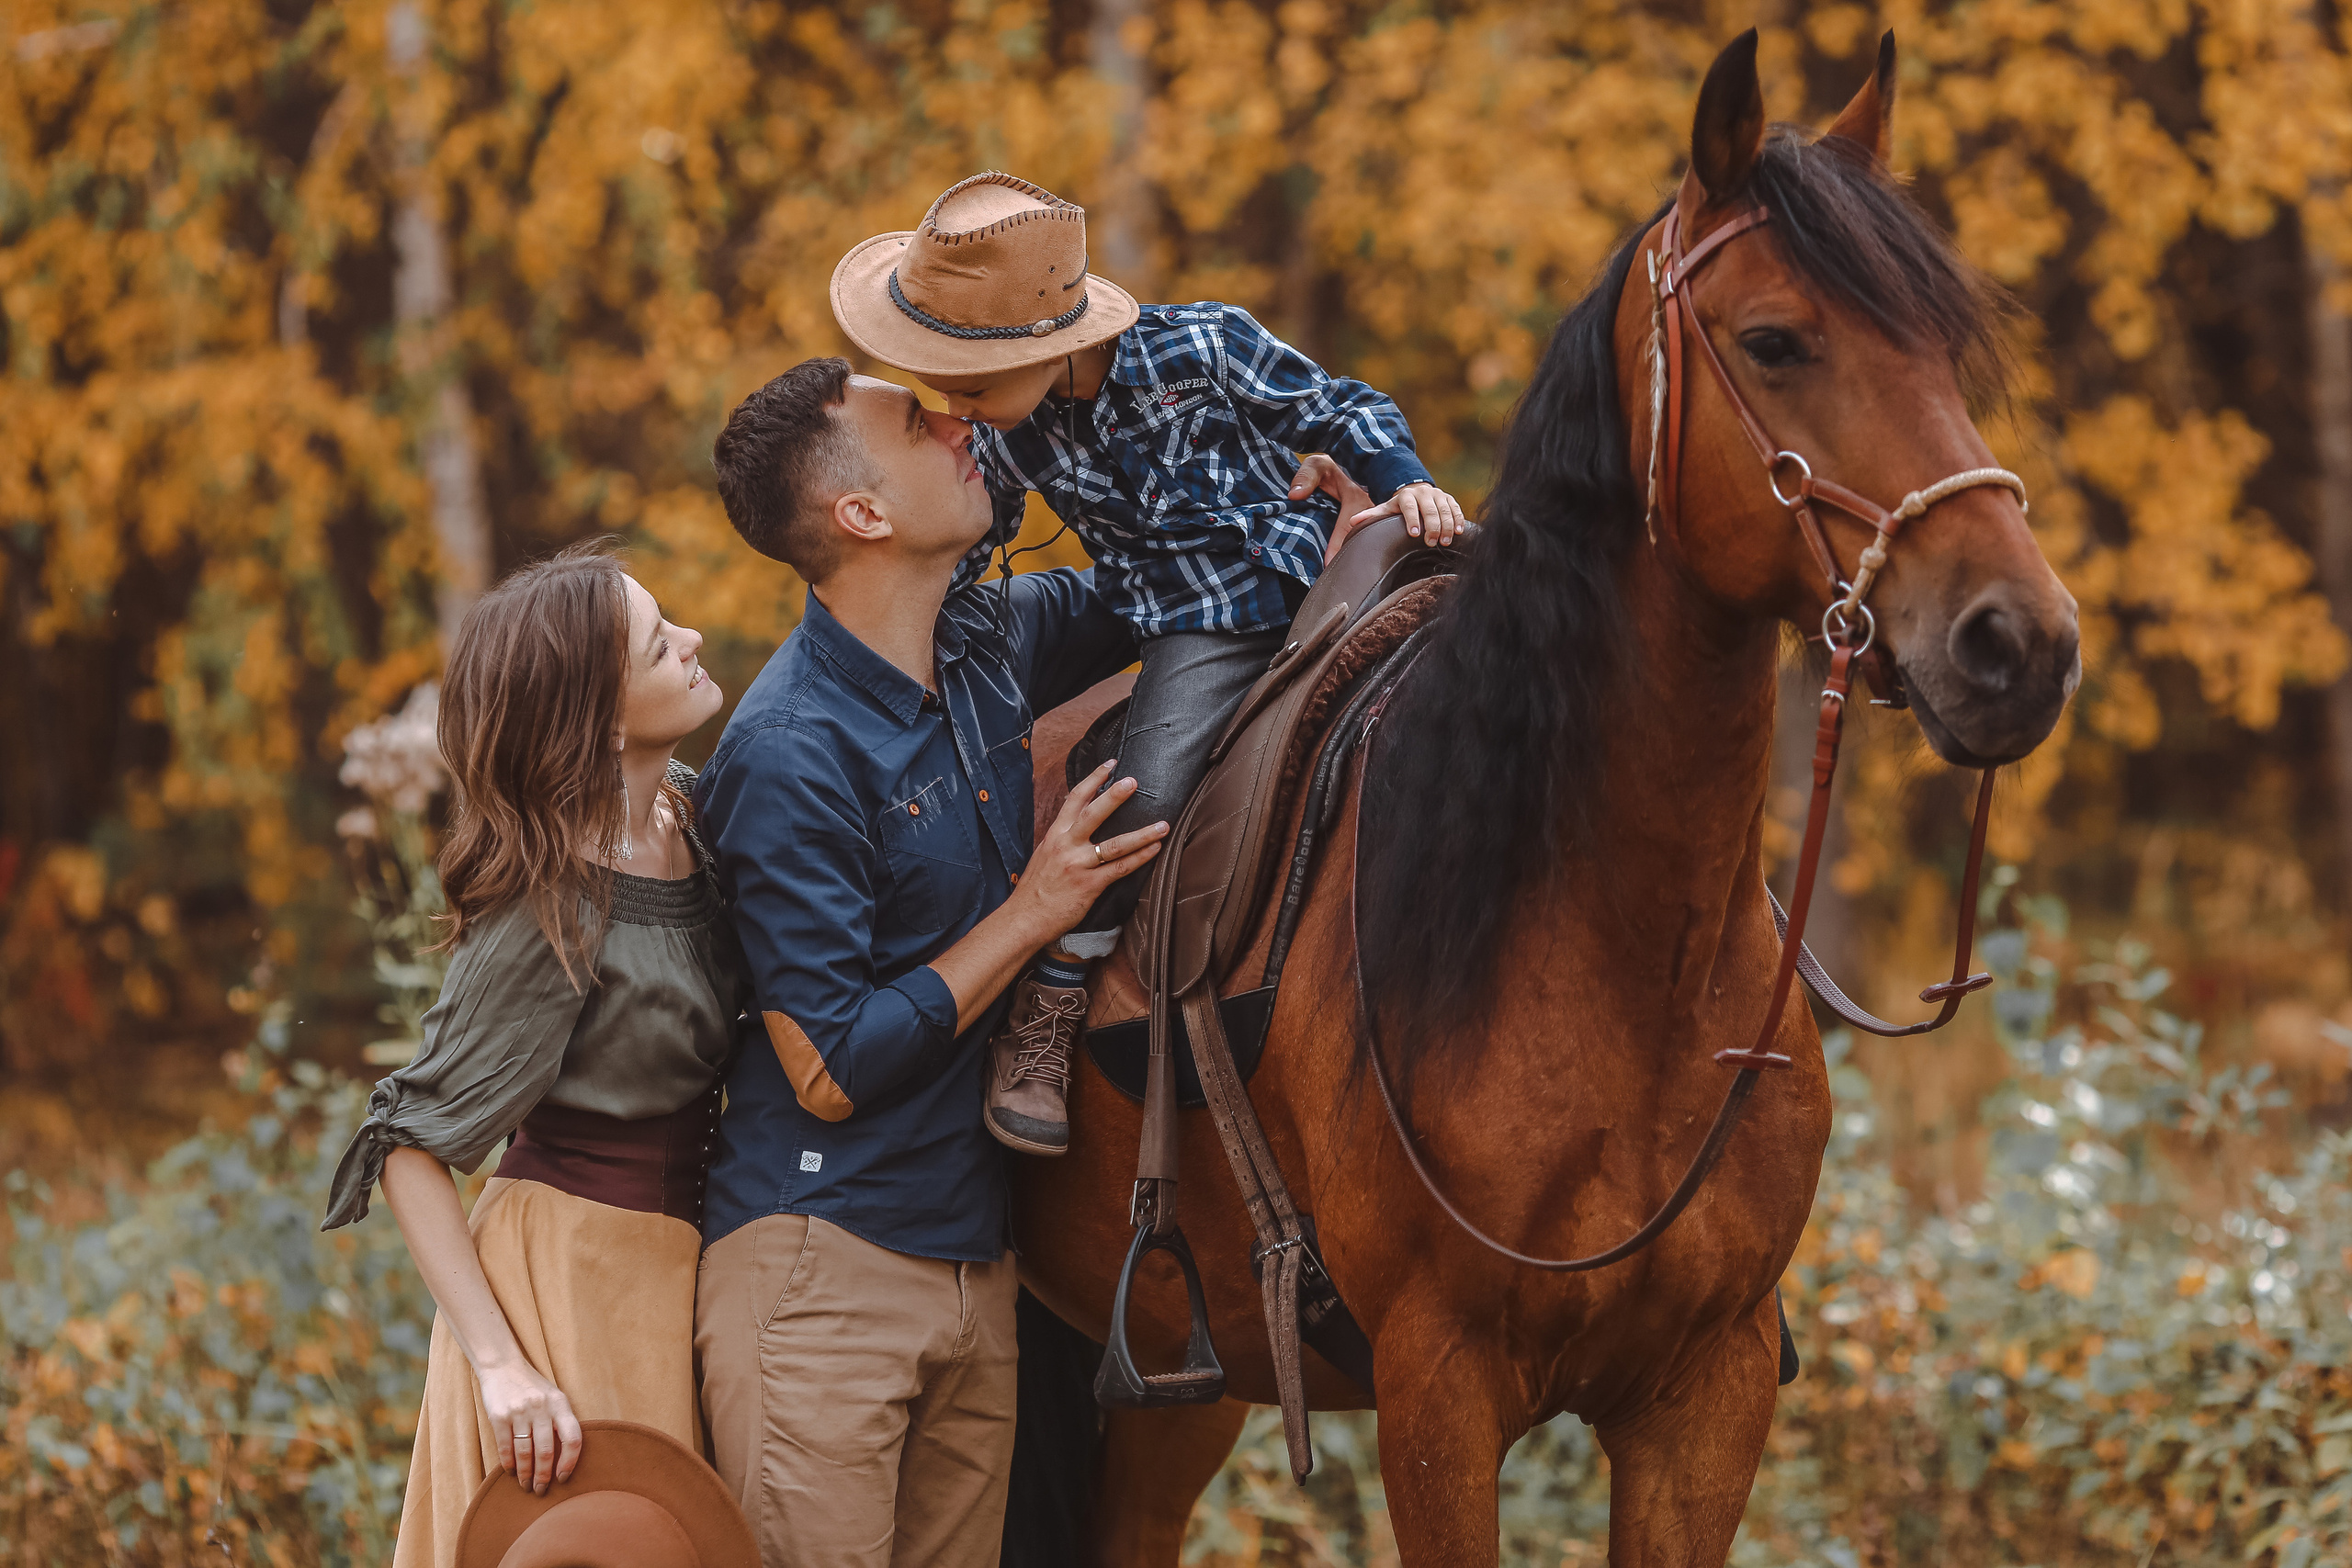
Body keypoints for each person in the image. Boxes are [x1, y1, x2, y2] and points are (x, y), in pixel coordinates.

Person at [829, 170, 1466, 1158]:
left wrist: (1407, 481)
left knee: (1164, 779)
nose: (954, 403)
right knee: (1072, 740)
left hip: (1262, 594)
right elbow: (979, 530)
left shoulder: (1201, 345)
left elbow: (1339, 408)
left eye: (969, 381)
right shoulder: (1012, 421)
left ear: (1051, 344)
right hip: (1153, 612)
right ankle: (1000, 954)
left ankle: (1065, 983)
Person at [694, 356, 1151, 1568]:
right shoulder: (789, 748)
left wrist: (1311, 484)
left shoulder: (985, 642)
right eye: (917, 419)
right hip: (821, 1273)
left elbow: (1157, 585)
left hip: (976, 1270)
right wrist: (1035, 908)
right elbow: (833, 1063)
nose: (962, 425)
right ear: (864, 513)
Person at [320, 545, 745, 1568]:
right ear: (600, 719)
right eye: (658, 642)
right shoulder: (551, 902)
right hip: (567, 1285)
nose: (691, 640)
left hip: (673, 1265)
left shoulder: (685, 807)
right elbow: (412, 1147)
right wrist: (502, 1365)